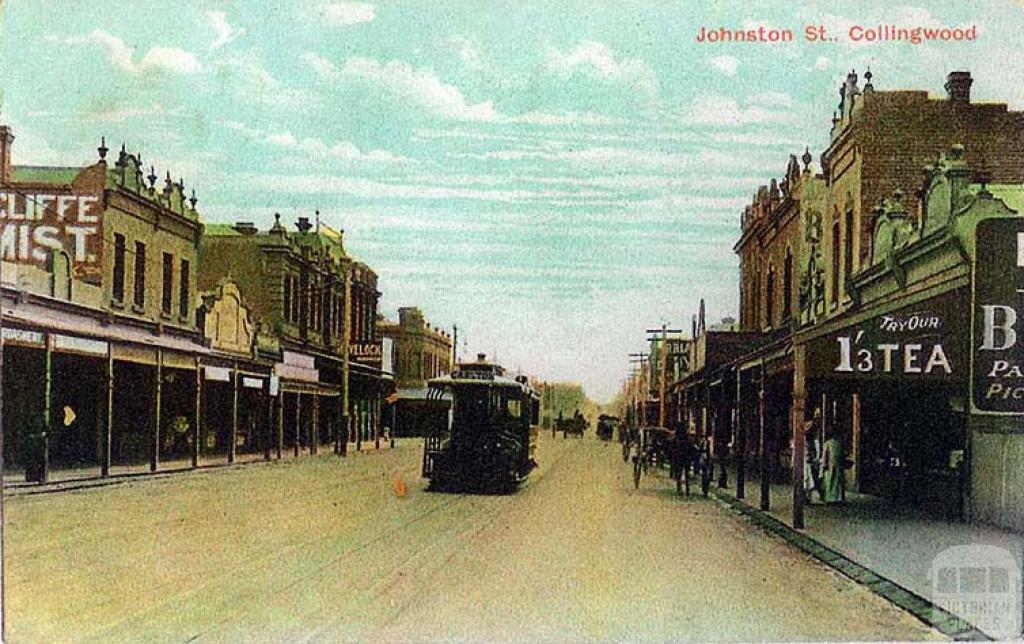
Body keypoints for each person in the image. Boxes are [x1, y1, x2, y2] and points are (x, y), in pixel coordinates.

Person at [803, 409, 823, 503]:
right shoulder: (807, 440)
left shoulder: (813, 440)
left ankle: (809, 497)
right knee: (807, 478)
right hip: (807, 459)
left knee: (811, 478)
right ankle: (807, 497)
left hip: (811, 458)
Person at [821, 429, 845, 504]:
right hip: (829, 465)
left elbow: (842, 454)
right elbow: (825, 454)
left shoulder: (840, 443)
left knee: (837, 482)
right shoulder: (828, 443)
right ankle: (829, 498)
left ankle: (837, 498)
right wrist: (824, 464)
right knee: (829, 481)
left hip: (838, 465)